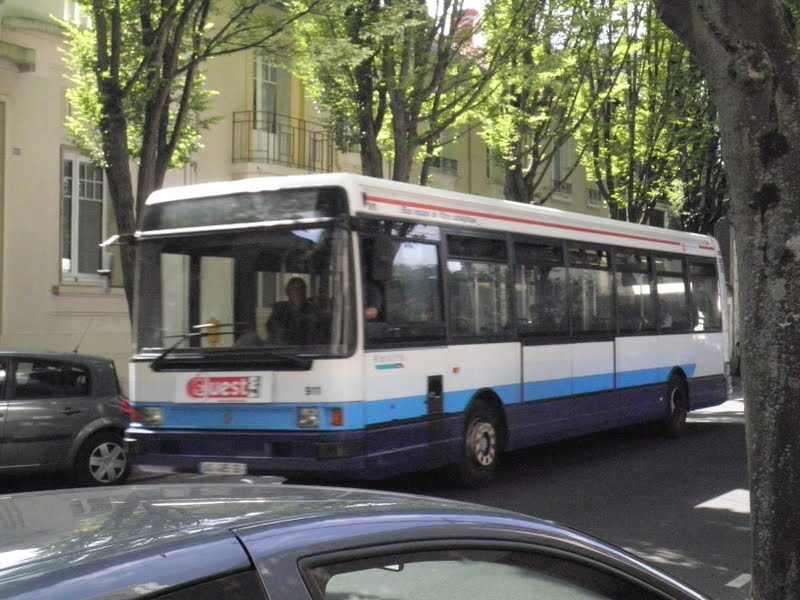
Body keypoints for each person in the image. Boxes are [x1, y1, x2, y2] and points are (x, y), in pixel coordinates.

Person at [267, 277, 315, 344]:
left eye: (301, 288)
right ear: (288, 292)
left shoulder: (313, 311)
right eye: (294, 289)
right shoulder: (280, 312)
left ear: (305, 291)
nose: (298, 292)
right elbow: (274, 334)